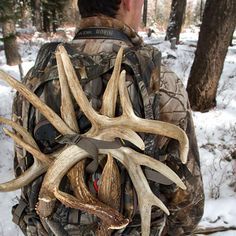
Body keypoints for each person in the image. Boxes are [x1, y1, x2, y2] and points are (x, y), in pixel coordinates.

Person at [11, 0, 204, 235]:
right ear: (128, 3)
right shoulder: (161, 80)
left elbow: (25, 176)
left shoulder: (34, 79)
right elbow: (188, 206)